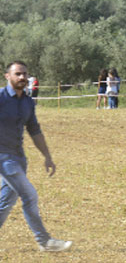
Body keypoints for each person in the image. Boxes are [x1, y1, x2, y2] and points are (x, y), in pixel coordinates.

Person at [0, 61, 72, 252]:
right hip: (3, 158)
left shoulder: (27, 102)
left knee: (6, 202)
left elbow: (34, 130)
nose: (22, 77)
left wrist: (47, 156)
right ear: (7, 76)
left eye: (24, 74)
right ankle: (45, 241)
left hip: (18, 158)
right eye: (17, 74)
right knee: (29, 195)